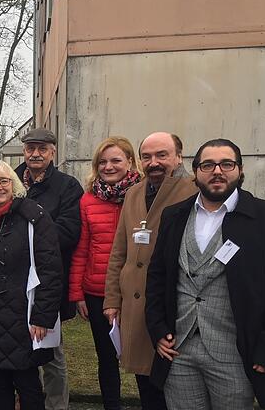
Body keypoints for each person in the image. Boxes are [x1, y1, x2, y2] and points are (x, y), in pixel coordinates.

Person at [145, 139, 265, 410]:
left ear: (240, 170)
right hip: (178, 351)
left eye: (226, 164)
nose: (217, 171)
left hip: (236, 353)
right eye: (208, 165)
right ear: (196, 172)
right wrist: (157, 329)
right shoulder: (174, 216)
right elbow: (158, 276)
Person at [103, 132, 197, 410]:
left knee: (174, 383)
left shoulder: (194, 191)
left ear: (179, 156)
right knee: (147, 384)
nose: (153, 162)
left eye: (161, 155)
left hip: (173, 305)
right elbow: (119, 250)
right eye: (147, 156)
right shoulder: (134, 193)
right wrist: (111, 299)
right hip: (135, 303)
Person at [0, 160, 63, 410]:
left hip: (24, 316)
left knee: (27, 383)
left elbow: (51, 271)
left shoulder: (34, 217)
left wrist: (42, 317)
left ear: (14, 185)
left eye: (4, 181)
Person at [69, 136, 141, 410]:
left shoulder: (144, 196)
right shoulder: (88, 201)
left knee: (143, 356)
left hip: (137, 291)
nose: (109, 167)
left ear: (130, 162)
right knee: (106, 357)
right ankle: (112, 405)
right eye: (103, 162)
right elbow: (81, 250)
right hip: (97, 290)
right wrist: (78, 294)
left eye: (116, 160)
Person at [13, 128, 83, 410]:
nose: (35, 154)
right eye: (30, 148)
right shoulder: (12, 181)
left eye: (42, 148)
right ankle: (25, 398)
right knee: (16, 345)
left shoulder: (67, 186)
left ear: (53, 151)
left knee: (50, 350)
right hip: (13, 279)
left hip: (47, 281)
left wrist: (31, 231)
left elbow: (69, 232)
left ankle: (56, 405)